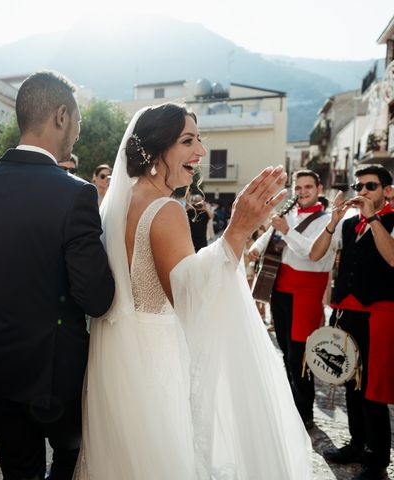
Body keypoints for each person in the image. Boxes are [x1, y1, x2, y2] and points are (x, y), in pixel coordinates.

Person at [75, 103, 312, 479]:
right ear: (156, 149)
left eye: (200, 140)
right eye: (188, 141)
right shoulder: (163, 209)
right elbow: (192, 300)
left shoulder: (117, 204)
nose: (201, 152)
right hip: (154, 362)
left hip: (115, 355)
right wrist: (236, 232)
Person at [0, 71, 115, 480]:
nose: (77, 134)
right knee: (69, 462)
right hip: (54, 372)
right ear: (61, 116)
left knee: (17, 469)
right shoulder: (74, 193)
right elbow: (96, 297)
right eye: (79, 123)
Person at [310, 165, 394, 480]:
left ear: (387, 191)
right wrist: (332, 223)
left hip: (380, 313)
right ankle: (357, 444)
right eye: (359, 186)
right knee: (351, 381)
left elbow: (392, 258)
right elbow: (316, 254)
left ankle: (376, 460)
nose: (362, 192)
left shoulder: (390, 220)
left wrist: (373, 218)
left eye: (370, 186)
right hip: (347, 311)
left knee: (374, 388)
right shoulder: (347, 225)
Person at [248, 169, 335, 430]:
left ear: (319, 188)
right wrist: (257, 247)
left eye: (308, 187)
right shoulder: (290, 211)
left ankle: (304, 411)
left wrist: (286, 230)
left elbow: (310, 252)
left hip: (307, 292)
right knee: (286, 351)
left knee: (300, 354)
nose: (302, 192)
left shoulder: (328, 220)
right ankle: (291, 406)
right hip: (281, 288)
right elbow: (272, 234)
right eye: (299, 187)